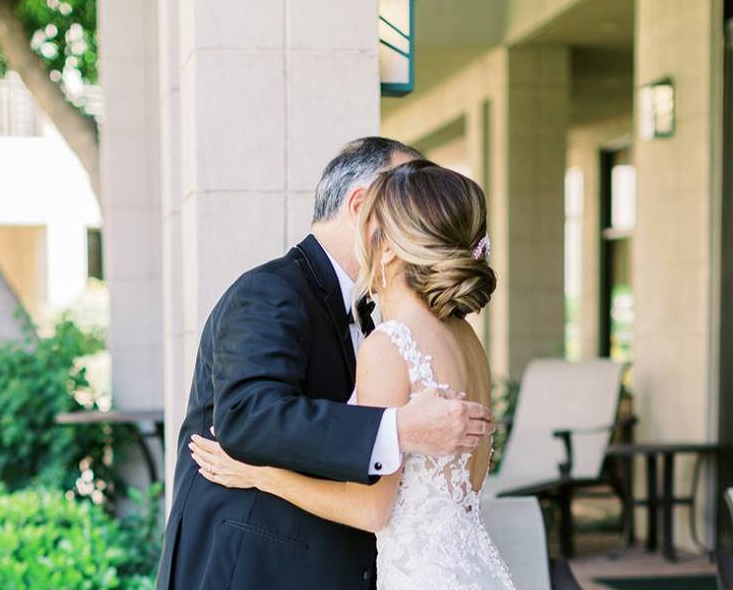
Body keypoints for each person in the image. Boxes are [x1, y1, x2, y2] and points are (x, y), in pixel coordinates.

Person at [157, 139, 495, 590]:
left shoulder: (395, 333)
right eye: (402, 194)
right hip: (254, 569)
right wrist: (396, 429)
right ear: (362, 206)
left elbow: (376, 505)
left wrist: (392, 431)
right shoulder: (271, 291)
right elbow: (245, 415)